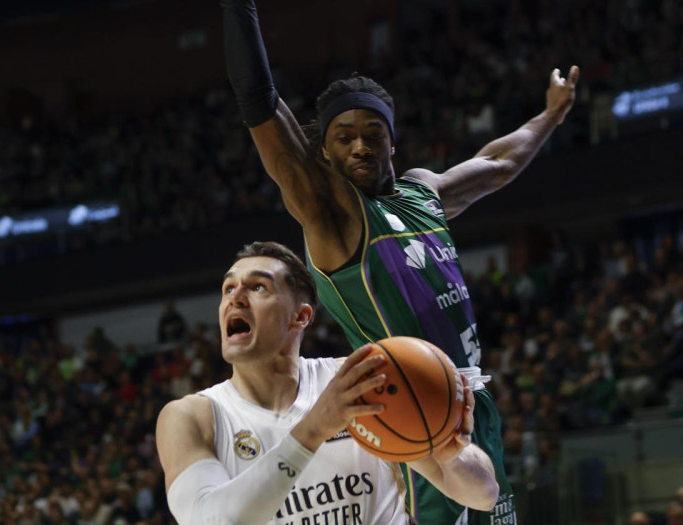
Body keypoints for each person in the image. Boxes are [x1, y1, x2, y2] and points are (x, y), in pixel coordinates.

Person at [220, 0, 578, 521]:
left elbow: (499, 163)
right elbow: (258, 100)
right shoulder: (333, 219)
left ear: (394, 140)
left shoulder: (422, 191)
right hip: (414, 406)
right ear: (324, 153)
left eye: (373, 134)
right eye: (344, 138)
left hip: (475, 398)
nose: (361, 147)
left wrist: (551, 114)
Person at [156, 241, 497, 524]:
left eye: (258, 286)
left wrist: (452, 456)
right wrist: (315, 427)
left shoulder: (358, 381)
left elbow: (483, 496)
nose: (236, 297)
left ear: (300, 316)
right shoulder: (192, 417)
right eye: (228, 287)